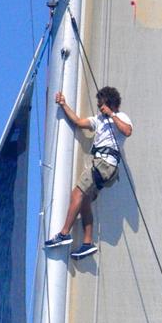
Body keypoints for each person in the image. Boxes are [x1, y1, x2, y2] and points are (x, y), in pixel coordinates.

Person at [44, 86, 133, 259]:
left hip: (105, 164)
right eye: (99, 106)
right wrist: (63, 104)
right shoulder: (98, 120)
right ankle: (87, 243)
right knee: (84, 201)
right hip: (101, 166)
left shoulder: (120, 117)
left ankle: (64, 234)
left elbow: (127, 131)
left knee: (76, 193)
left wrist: (112, 115)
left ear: (111, 104)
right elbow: (78, 122)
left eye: (102, 105)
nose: (100, 108)